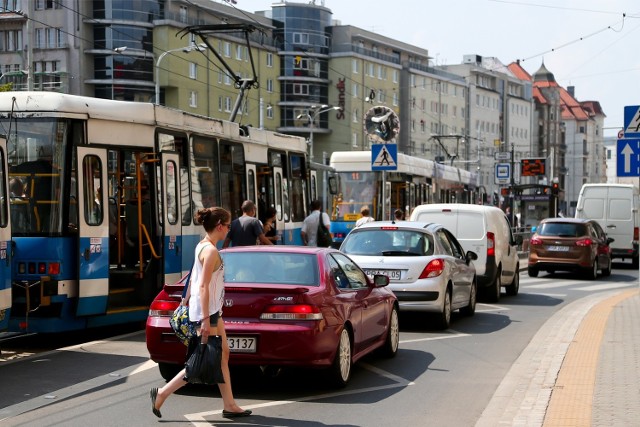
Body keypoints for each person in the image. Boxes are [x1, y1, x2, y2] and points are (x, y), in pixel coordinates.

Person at [150, 207, 251, 420]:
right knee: (202, 360)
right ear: (220, 226)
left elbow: (195, 279)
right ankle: (162, 393)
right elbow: (203, 286)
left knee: (223, 354)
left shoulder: (203, 246)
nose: (229, 230)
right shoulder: (211, 251)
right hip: (208, 313)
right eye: (228, 225)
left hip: (212, 310)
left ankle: (230, 404)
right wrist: (205, 319)